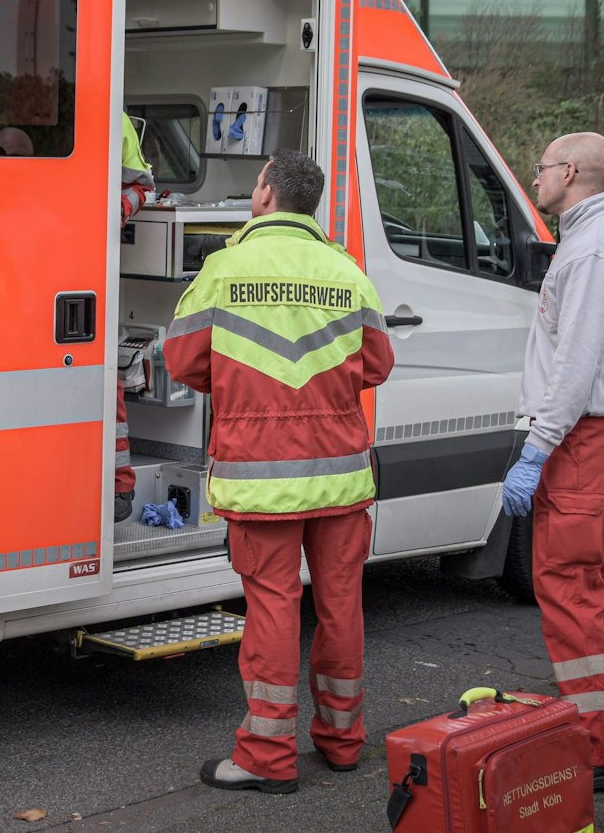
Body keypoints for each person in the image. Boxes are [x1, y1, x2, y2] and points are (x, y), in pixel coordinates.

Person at [164, 149, 394, 794]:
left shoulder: (225, 269)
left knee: (273, 609)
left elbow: (182, 361)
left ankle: (267, 757)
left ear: (265, 193)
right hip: (341, 477)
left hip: (261, 479)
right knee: (341, 606)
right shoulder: (346, 271)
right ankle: (343, 742)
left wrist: (242, 390)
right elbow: (378, 364)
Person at [501, 131, 604, 794]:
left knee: (567, 584)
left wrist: (536, 449)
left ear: (569, 171)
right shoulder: (594, 239)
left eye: (540, 168)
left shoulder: (592, 251)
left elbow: (575, 366)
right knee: (592, 580)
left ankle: (602, 749)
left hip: (580, 438)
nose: (534, 178)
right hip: (590, 435)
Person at [114, 113, 154, 522]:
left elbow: (141, 186)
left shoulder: (115, 115)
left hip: (82, 266)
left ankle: (118, 488)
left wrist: (111, 212)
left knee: (103, 383)